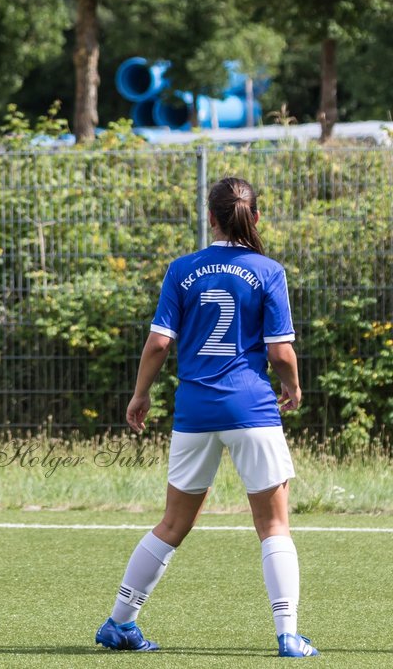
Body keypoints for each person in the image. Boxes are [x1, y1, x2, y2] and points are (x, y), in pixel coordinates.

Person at [95, 177, 318, 658]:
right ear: (256, 218)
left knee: (172, 524)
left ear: (210, 218)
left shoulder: (182, 269)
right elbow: (281, 351)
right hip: (251, 408)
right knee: (274, 527)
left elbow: (158, 344)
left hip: (194, 410)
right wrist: (294, 387)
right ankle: (288, 637)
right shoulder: (269, 270)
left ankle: (119, 622)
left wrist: (140, 395)